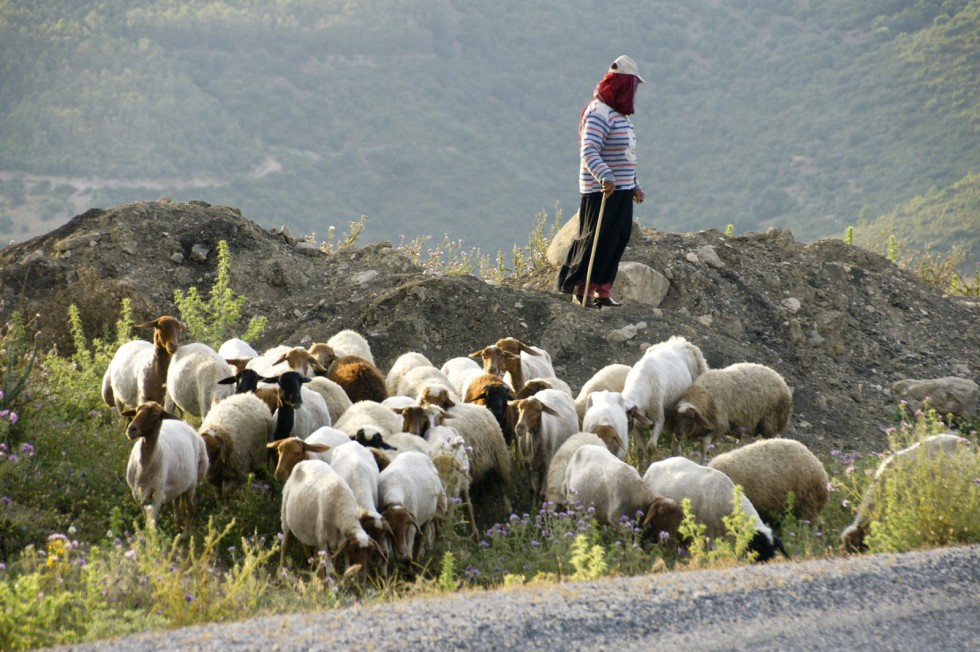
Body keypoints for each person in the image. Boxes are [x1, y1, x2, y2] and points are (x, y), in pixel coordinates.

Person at [556, 55, 646, 308]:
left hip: (622, 189)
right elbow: (589, 151)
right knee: (597, 239)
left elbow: (626, 155)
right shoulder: (598, 113)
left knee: (617, 239)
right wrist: (604, 176)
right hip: (601, 191)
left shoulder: (619, 115)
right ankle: (583, 289)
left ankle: (603, 290)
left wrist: (634, 184)